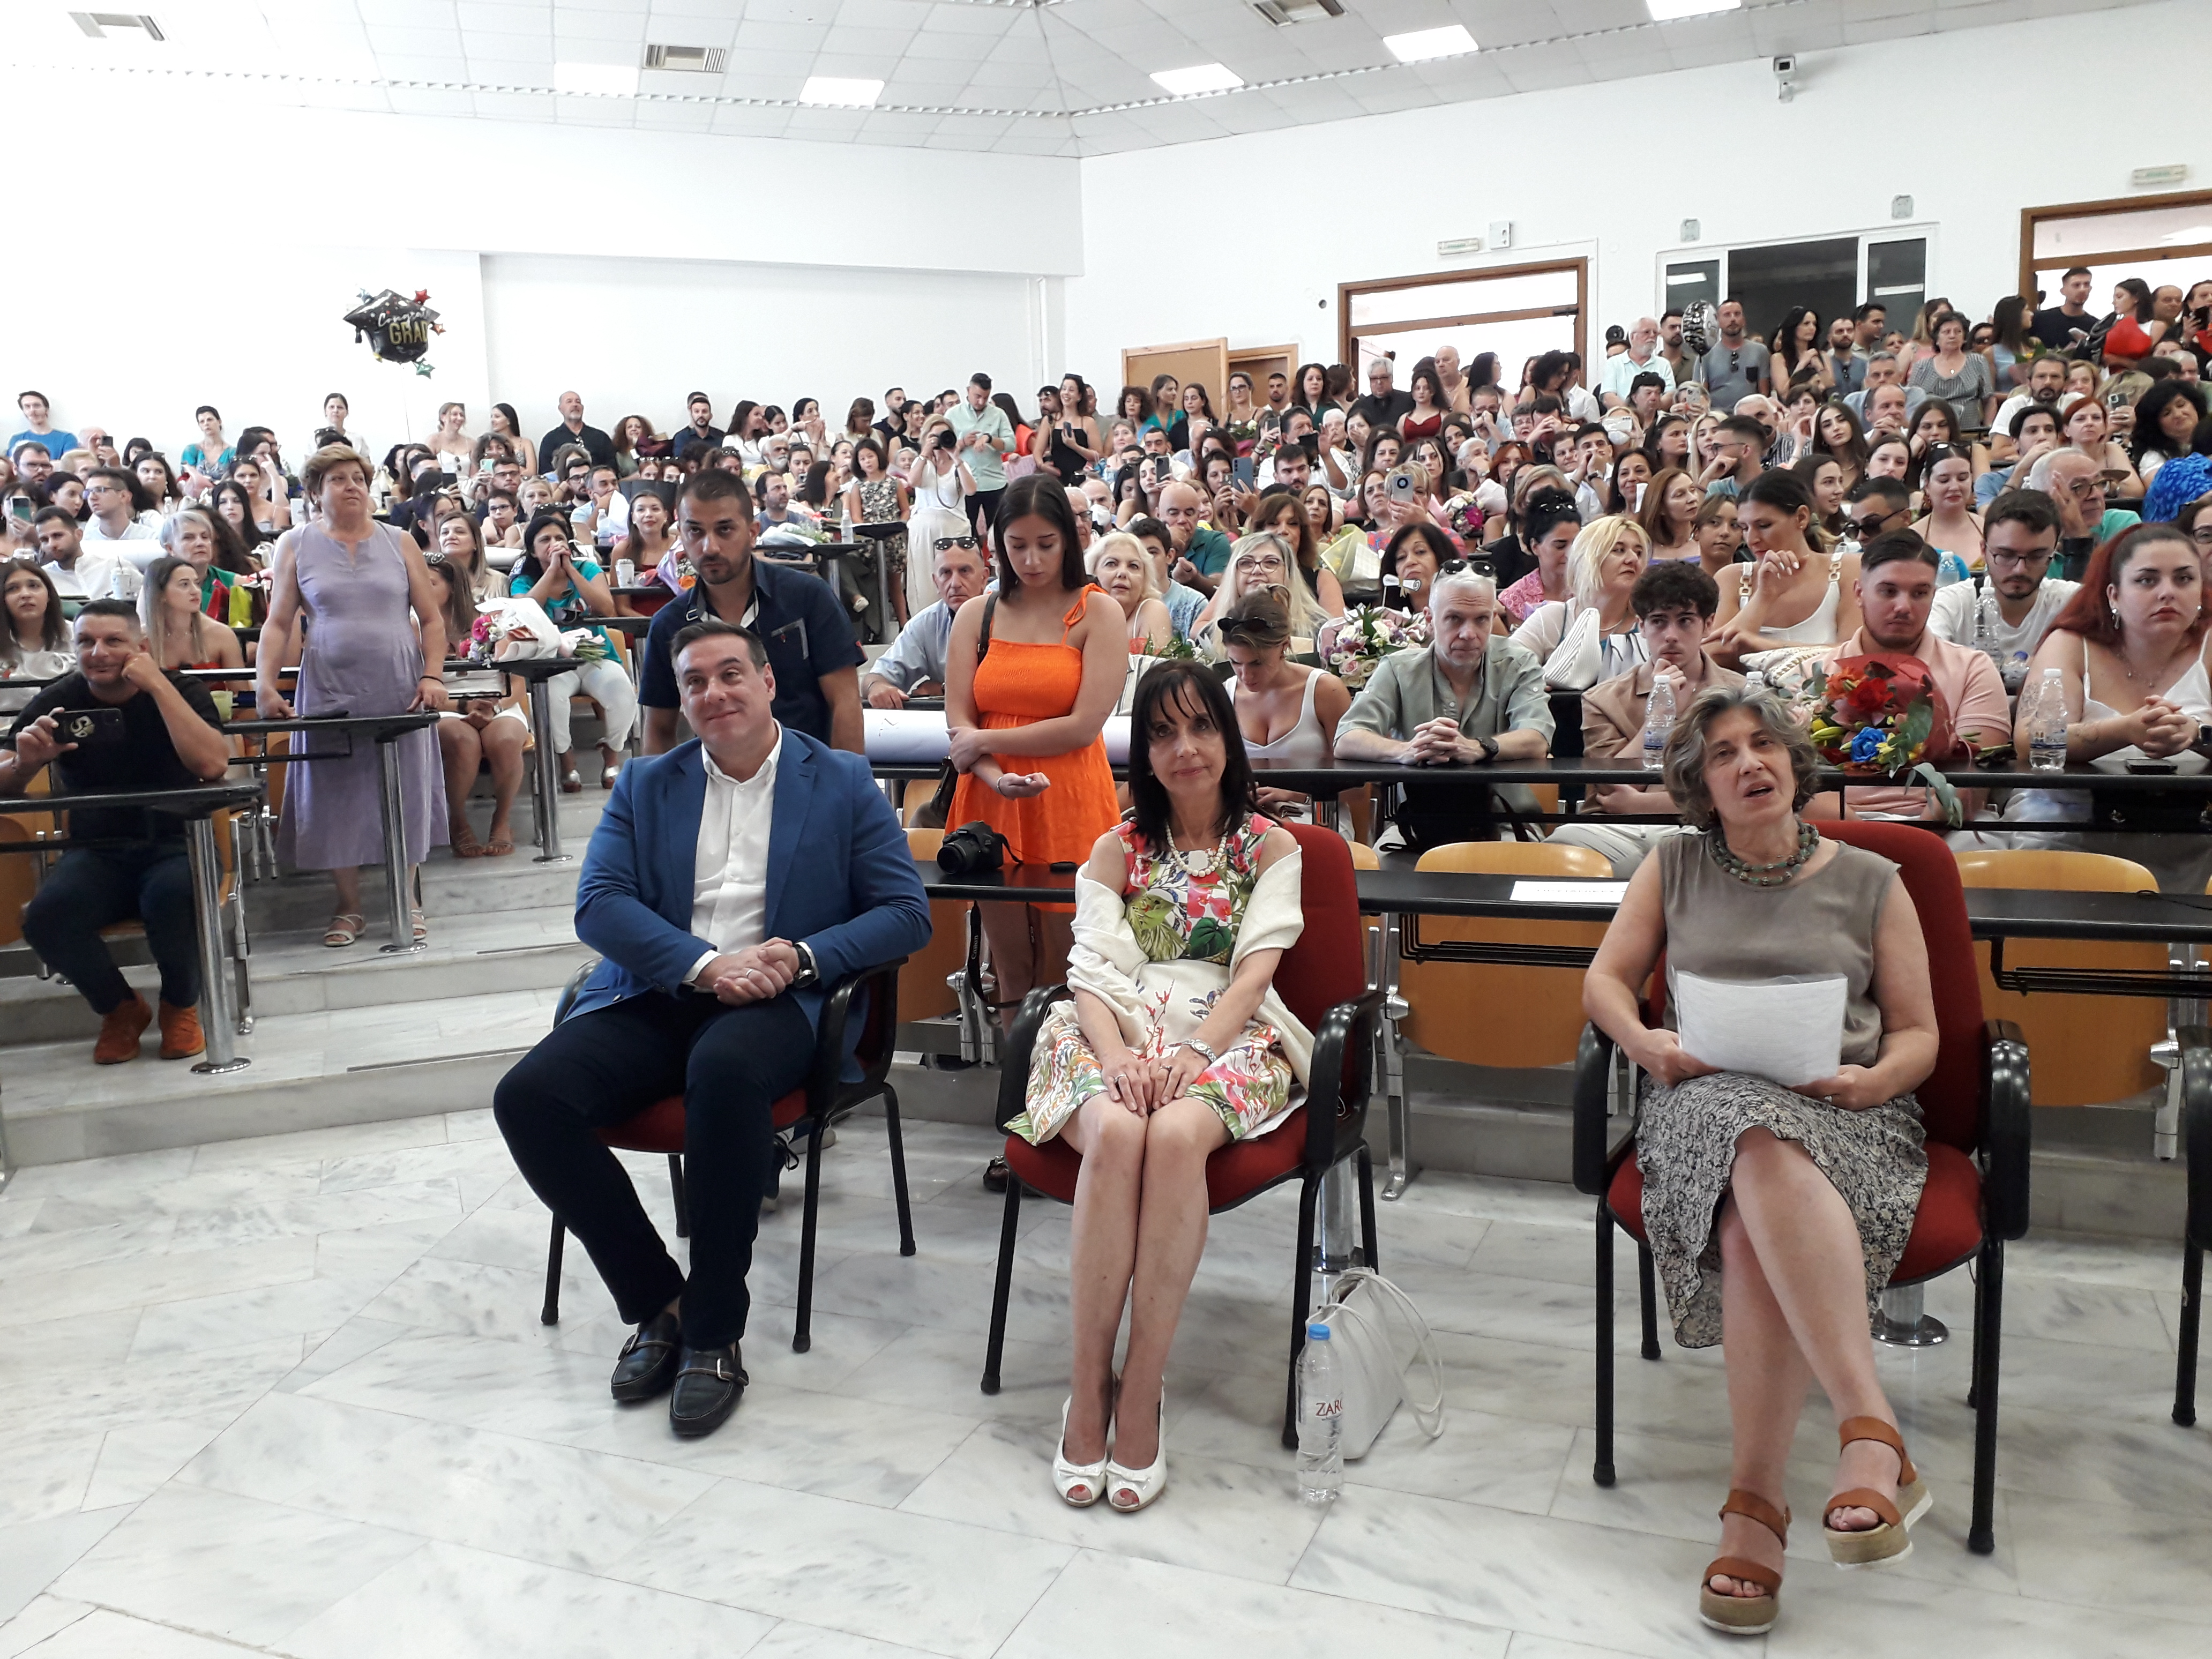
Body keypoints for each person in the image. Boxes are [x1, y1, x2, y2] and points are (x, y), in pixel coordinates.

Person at [492, 616, 930, 1440]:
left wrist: (800, 956)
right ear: (681, 700)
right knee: (529, 1097)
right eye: (695, 681)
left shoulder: (840, 780)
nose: (714, 692)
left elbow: (906, 913)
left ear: (768, 683)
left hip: (782, 1000)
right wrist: (704, 966)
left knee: (724, 1074)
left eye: (731, 673)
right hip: (662, 990)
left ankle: (714, 1330)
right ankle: (659, 1301)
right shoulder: (645, 784)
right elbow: (600, 903)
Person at [1583, 683, 1942, 1635]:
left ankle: (1754, 1508)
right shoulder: (1671, 864)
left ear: (1792, 759)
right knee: (1744, 1128)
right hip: (1700, 1103)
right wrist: (1646, 1043)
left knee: (1749, 1222)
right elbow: (1605, 982)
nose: (1749, 764)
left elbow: (1918, 1036)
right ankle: (1869, 1427)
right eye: (1722, 755)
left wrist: (1874, 1080)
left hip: (1845, 1112)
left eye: (1763, 745)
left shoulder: (1873, 878)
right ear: (1699, 785)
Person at [1016, 659, 1306, 1511]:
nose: (1186, 749)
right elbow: (1091, 972)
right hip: (1113, 1025)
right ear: (1143, 751)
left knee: (1176, 1134)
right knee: (1116, 1128)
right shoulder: (1118, 847)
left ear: (1228, 736)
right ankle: (1087, 1387)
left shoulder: (1272, 847)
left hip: (1229, 1031)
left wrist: (1195, 1053)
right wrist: (1115, 1057)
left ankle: (1141, 1388)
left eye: (1202, 726)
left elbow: (1255, 975)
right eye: (1163, 732)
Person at [3, 599, 232, 1063]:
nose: (98, 652)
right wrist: (26, 765)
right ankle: (121, 1009)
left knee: (172, 897)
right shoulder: (61, 697)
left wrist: (157, 685)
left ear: (141, 647)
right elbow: (6, 774)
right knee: (45, 917)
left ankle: (180, 1005)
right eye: (86, 642)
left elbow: (212, 764)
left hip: (177, 842)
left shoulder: (181, 689)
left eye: (113, 641)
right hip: (98, 851)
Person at [944, 475, 1122, 1030]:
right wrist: (994, 776)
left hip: (1068, 795)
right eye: (1017, 545)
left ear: (1068, 539)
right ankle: (1014, 1073)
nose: (1031, 560)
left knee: (1068, 963)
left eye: (1046, 544)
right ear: (997, 545)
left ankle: (1066, 1071)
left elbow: (1083, 726)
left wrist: (987, 742)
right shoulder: (978, 614)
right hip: (989, 799)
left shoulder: (1098, 612)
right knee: (1010, 969)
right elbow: (960, 722)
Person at [255, 444, 452, 948]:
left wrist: (432, 676)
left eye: (359, 478)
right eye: (338, 479)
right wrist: (264, 684)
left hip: (399, 682)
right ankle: (349, 905)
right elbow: (278, 623)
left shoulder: (399, 541)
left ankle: (406, 898)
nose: (352, 487)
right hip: (328, 683)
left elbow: (432, 620)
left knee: (406, 788)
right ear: (315, 491)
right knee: (335, 794)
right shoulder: (294, 543)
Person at [2003, 524, 2212, 891]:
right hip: (2071, 828)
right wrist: (2125, 730)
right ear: (2114, 595)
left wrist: (2197, 734)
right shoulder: (2070, 643)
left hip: (2197, 829)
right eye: (2147, 580)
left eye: (2183, 579)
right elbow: (2031, 740)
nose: (2167, 592)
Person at [639, 470, 861, 756]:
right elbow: (658, 730)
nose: (710, 547)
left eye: (724, 530)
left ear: (753, 533)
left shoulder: (808, 598)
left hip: (806, 771)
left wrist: (845, 779)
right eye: (695, 531)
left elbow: (845, 701)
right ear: (680, 534)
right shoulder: (669, 625)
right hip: (714, 777)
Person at [1335, 567, 1553, 848]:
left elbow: (1538, 738)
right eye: (1454, 619)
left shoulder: (1519, 663)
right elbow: (1347, 738)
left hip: (1508, 822)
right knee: (1376, 868)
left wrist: (1478, 748)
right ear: (1429, 619)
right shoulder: (1398, 668)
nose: (1468, 633)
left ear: (1493, 618)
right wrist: (1406, 751)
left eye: (1481, 620)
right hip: (1414, 826)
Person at [1555, 562, 1745, 875]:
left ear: (1708, 624)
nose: (1671, 636)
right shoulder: (1603, 698)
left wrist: (1643, 803)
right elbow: (1610, 791)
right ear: (1641, 626)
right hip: (1618, 828)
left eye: (1685, 621)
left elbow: (1738, 791)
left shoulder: (1742, 694)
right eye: (1658, 622)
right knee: (1562, 845)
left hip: (1707, 828)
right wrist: (1659, 718)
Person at [1813, 532, 2009, 823]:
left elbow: (1976, 775)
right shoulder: (1817, 673)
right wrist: (1861, 837)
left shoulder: (1972, 668)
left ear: (1934, 595)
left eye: (1919, 593)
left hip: (1943, 827)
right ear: (1859, 593)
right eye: (1888, 591)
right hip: (1839, 827)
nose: (1904, 607)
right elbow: (1798, 780)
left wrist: (1917, 837)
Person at [511, 510, 636, 790]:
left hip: (597, 657)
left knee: (622, 692)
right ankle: (567, 760)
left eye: (559, 538)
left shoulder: (587, 569)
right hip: (552, 663)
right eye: (545, 540)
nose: (554, 544)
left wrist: (570, 571)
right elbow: (525, 613)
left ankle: (612, 754)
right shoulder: (523, 579)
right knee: (552, 699)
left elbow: (607, 609)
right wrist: (551, 571)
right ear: (532, 550)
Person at [1220, 588, 1354, 824]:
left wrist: (1296, 796)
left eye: (1257, 663)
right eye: (1235, 663)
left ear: (1285, 646)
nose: (1245, 675)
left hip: (1319, 818)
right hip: (1246, 821)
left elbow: (1358, 787)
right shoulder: (1224, 695)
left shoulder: (1325, 691)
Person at [1929, 491, 2078, 689]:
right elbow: (1927, 669)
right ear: (1984, 550)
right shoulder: (1950, 603)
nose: (2020, 569)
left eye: (2036, 556)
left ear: (2054, 551)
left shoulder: (2073, 601)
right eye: (2006, 555)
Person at [1708, 472, 1860, 666]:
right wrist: (1764, 597)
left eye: (1764, 525)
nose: (1752, 540)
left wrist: (1766, 646)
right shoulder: (1732, 577)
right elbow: (1713, 655)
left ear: (1801, 518)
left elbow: (1853, 654)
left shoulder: (1849, 568)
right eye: (1744, 528)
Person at [1509, 515, 1655, 686]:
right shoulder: (1552, 618)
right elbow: (1506, 671)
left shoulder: (1653, 623)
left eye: (1639, 553)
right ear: (1588, 558)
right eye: (1618, 550)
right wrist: (1532, 685)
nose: (1633, 559)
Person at [863, 533, 990, 706]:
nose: (955, 583)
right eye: (946, 573)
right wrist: (877, 687)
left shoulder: (1010, 614)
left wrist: (945, 689)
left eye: (965, 571)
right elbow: (877, 677)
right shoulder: (926, 624)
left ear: (984, 578)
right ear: (936, 582)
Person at [140, 555, 243, 674]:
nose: (196, 591)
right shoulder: (141, 640)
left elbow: (240, 685)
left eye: (197, 583)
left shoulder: (221, 634)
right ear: (161, 594)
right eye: (184, 585)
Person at [1496, 488, 1583, 626]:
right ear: (1535, 546)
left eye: (1577, 544)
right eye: (1560, 546)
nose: (1570, 553)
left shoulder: (1595, 586)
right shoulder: (1517, 597)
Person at [948, 372, 1017, 534]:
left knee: (999, 531)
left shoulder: (998, 414)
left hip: (994, 483)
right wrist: (963, 442)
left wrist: (990, 439)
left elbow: (1011, 445)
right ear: (968, 391)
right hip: (965, 484)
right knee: (965, 532)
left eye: (986, 398)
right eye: (977, 396)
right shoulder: (953, 415)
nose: (981, 402)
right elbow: (944, 449)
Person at [1087, 530, 1174, 656]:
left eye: (1133, 566)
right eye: (1111, 564)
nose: (1123, 573)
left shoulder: (1152, 610)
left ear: (1145, 578)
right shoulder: (1079, 612)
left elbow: (1156, 667)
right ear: (1092, 572)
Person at [1, 557, 72, 712]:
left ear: (49, 594)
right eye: (12, 589)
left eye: (34, 586)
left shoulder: (78, 634)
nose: (25, 594)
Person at [1907, 312, 1996, 436]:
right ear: (1937, 339)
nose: (1952, 336)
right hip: (1933, 434)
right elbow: (1912, 402)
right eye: (1947, 332)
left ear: (1964, 337)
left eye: (1958, 332)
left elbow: (1989, 399)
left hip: (1970, 433)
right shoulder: (1922, 367)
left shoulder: (1977, 361)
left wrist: (1988, 430)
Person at [34, 506, 140, 601]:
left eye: (58, 536)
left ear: (79, 535)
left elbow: (146, 599)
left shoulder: (114, 565)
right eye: (44, 540)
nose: (51, 545)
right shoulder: (43, 578)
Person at [1693, 300, 1771, 413]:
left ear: (1744, 320)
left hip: (1749, 415)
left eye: (1737, 314)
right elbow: (1699, 394)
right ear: (1718, 321)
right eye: (1727, 315)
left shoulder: (1760, 351)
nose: (1733, 319)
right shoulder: (1705, 355)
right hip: (1716, 416)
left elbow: (1764, 393)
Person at [80, 467, 159, 549]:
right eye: (88, 493)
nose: (92, 497)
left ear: (124, 496)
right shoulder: (86, 542)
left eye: (100, 490)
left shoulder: (151, 539)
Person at [539, 390, 615, 474]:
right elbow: (546, 472)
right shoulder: (550, 439)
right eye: (569, 402)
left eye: (578, 402)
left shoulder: (601, 437)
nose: (575, 405)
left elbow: (612, 467)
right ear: (561, 409)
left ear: (583, 408)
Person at [2032, 267, 2095, 351]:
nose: (2082, 290)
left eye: (2086, 285)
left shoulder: (2095, 327)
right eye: (2076, 285)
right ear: (2063, 290)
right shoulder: (2040, 319)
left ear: (2090, 289)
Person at [9, 391, 79, 463]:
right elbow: (12, 465)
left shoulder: (67, 438)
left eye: (37, 406)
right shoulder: (17, 439)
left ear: (46, 410)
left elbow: (70, 465)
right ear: (24, 412)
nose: (32, 410)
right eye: (27, 407)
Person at [178, 405, 233, 480]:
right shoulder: (191, 451)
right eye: (202, 422)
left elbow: (236, 477)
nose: (206, 424)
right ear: (200, 426)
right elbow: (187, 478)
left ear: (219, 422)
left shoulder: (232, 452)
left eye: (210, 420)